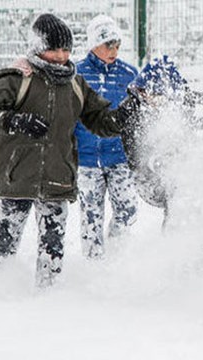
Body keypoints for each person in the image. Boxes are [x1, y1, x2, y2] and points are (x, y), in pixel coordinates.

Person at [0, 13, 138, 287]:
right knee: (4, 248)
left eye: (66, 49)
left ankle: (49, 303)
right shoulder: (16, 78)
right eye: (54, 49)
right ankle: (0, 299)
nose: (61, 56)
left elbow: (101, 121)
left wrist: (125, 114)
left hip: (57, 181)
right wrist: (13, 120)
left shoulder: (75, 84)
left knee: (52, 252)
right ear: (38, 47)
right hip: (15, 180)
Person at [120, 55, 203, 229]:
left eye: (160, 94)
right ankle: (173, 233)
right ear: (141, 90)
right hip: (148, 176)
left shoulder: (193, 105)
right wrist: (149, 164)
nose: (154, 99)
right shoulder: (131, 109)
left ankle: (181, 233)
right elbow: (131, 148)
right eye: (149, 93)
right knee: (173, 188)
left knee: (180, 192)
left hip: (182, 170)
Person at [74, 15, 139, 259]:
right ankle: (94, 265)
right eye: (107, 44)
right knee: (91, 215)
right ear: (93, 44)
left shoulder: (129, 74)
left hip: (119, 157)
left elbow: (138, 115)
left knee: (128, 208)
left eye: (117, 44)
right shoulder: (76, 74)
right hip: (87, 159)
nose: (114, 50)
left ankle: (116, 254)